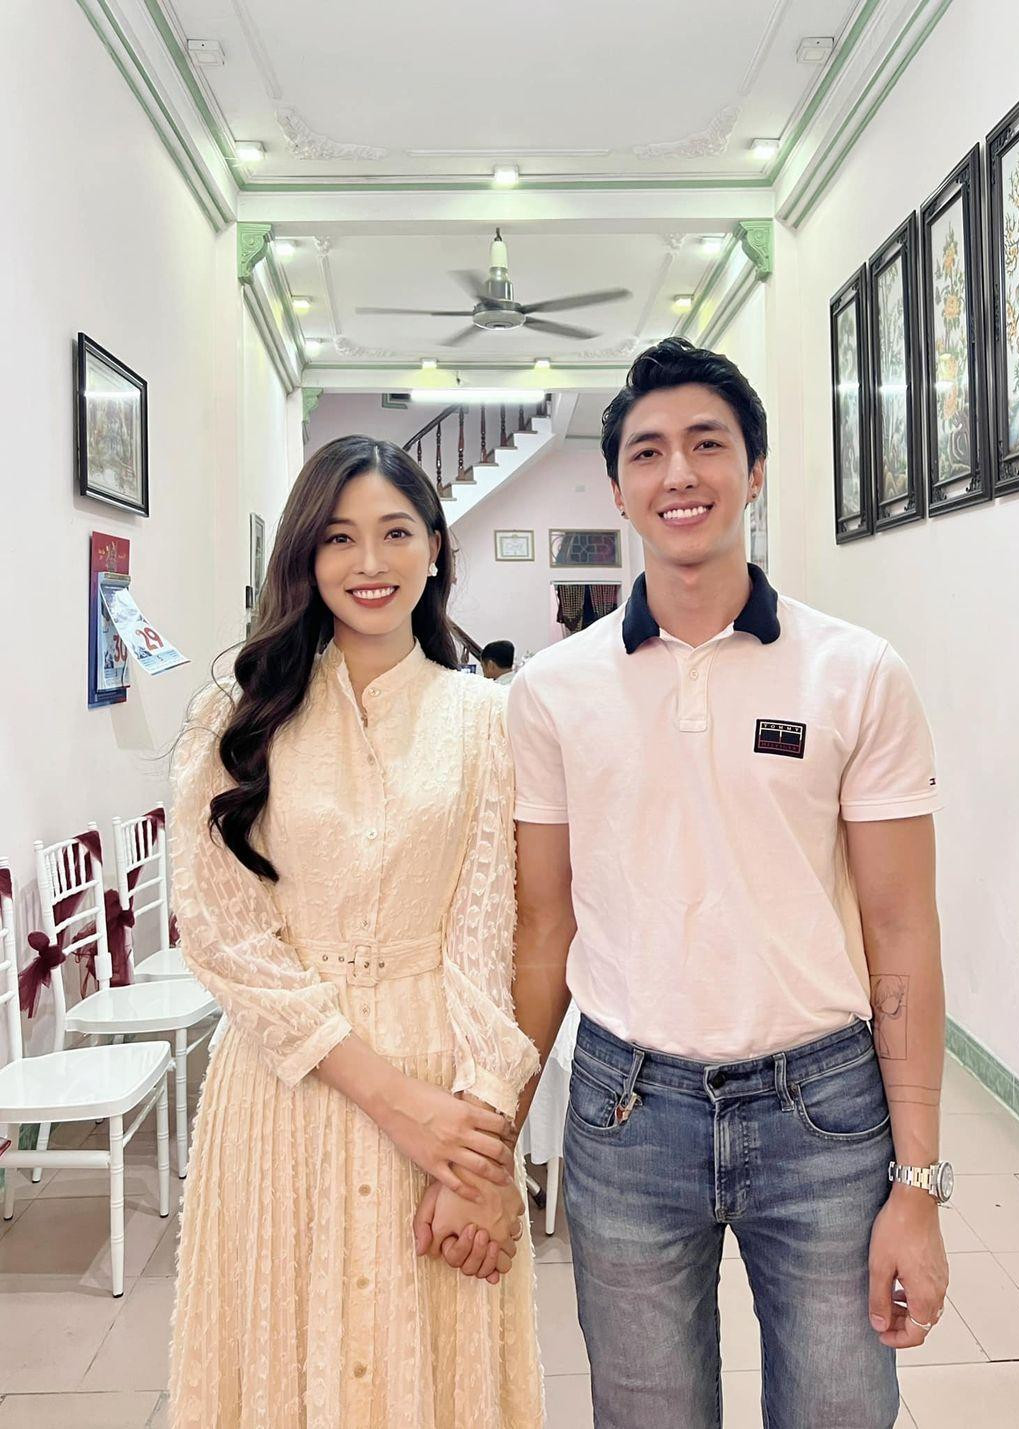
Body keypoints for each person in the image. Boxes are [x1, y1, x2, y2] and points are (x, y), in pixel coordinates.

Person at [505, 338, 951, 1429]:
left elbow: (900, 928)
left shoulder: (855, 672)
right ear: (618, 489)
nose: (679, 473)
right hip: (625, 1107)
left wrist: (920, 1185)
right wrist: (496, 1133)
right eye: (647, 452)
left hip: (824, 1108)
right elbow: (541, 928)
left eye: (708, 444)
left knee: (842, 1410)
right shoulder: (553, 691)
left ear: (755, 472)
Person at [168, 436, 543, 1429]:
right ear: (305, 553)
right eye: (339, 537)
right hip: (288, 1086)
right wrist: (396, 1101)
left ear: (435, 547)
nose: (369, 563)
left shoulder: (487, 718)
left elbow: (490, 935)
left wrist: (477, 1145)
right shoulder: (235, 717)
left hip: (447, 1082)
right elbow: (220, 931)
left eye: (395, 533)